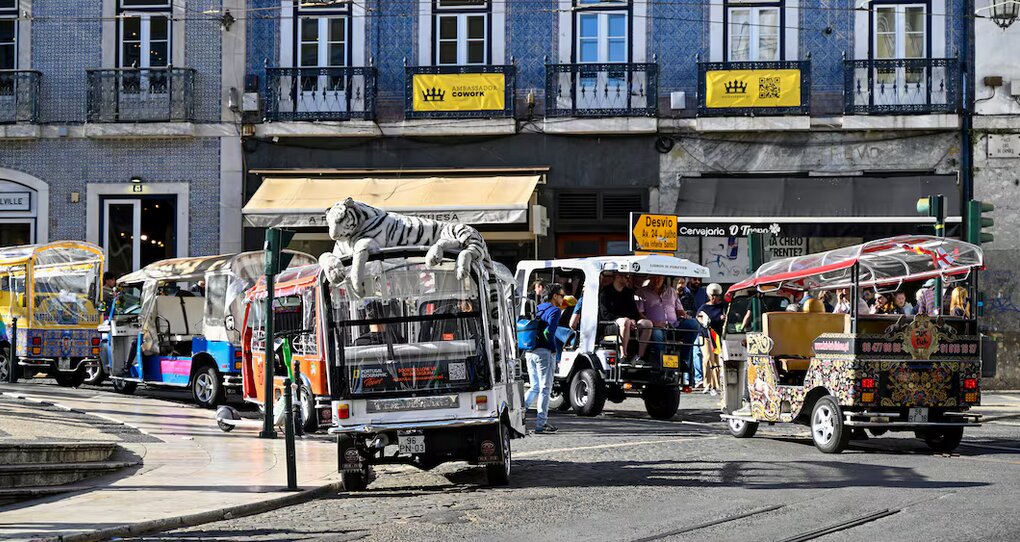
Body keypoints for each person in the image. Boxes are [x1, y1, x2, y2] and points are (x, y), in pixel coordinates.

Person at [523, 284, 563, 434]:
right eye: (561, 295)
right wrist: (554, 350)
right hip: (543, 353)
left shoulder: (538, 308)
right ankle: (541, 423)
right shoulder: (555, 311)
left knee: (534, 387)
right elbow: (549, 333)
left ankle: (520, 413)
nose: (563, 298)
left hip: (529, 351)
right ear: (554, 296)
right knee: (545, 388)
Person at [599, 273, 654, 363]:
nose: (628, 279)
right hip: (611, 325)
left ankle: (639, 356)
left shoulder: (629, 293)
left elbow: (634, 312)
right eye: (626, 277)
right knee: (625, 322)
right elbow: (605, 314)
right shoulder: (605, 293)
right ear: (617, 277)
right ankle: (623, 355)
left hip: (629, 324)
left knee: (647, 324)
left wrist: (633, 321)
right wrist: (625, 320)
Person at [696, 310, 721, 396]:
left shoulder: (720, 307)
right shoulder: (705, 307)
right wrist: (704, 322)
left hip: (716, 335)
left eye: (716, 295)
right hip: (704, 335)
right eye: (713, 295)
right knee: (707, 358)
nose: (714, 297)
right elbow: (698, 316)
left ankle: (715, 385)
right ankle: (707, 384)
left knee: (715, 360)